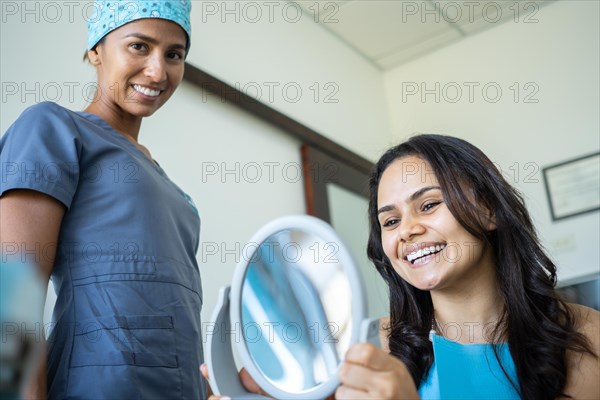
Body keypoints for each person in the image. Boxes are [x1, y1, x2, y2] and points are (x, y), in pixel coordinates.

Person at [0, 1, 206, 398]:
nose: (157, 70)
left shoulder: (176, 194)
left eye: (174, 54)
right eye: (139, 46)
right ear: (96, 49)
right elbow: (13, 295)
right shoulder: (53, 129)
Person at [336, 134, 599, 399]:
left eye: (428, 205)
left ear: (488, 210)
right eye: (391, 221)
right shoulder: (375, 349)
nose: (406, 230)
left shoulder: (586, 335)